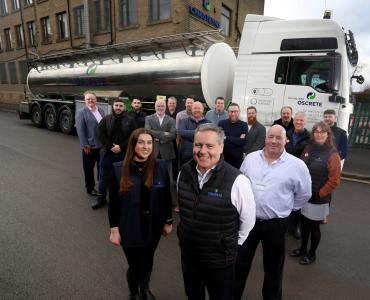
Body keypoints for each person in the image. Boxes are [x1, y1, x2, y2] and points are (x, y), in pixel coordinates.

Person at [177, 123, 256, 300]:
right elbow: (184, 207)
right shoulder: (183, 172)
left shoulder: (238, 180)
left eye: (209, 146)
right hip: (190, 255)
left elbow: (248, 221)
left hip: (219, 261)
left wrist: (228, 244)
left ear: (221, 147)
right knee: (193, 295)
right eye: (198, 145)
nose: (202, 151)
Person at [235, 125, 312, 300]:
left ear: (286, 140)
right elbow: (239, 184)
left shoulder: (297, 166)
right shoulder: (251, 159)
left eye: (279, 137)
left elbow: (304, 194)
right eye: (271, 137)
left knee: (273, 269)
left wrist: (288, 209)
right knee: (239, 264)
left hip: (276, 224)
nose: (274, 141)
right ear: (265, 138)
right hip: (248, 221)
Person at [108, 128, 173, 300]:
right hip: (129, 226)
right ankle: (133, 291)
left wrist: (168, 221)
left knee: (148, 259)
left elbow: (166, 197)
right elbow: (113, 204)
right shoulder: (118, 170)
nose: (146, 147)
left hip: (153, 226)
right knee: (136, 264)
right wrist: (114, 229)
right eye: (141, 142)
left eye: (149, 143)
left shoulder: (160, 167)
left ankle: (144, 288)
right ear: (133, 144)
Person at [290, 122, 341, 265]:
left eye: (322, 132)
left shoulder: (333, 154)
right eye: (316, 131)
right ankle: (302, 248)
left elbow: (335, 180)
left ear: (327, 134)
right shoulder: (309, 147)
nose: (319, 134)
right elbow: (300, 168)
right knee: (304, 224)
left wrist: (320, 193)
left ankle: (312, 254)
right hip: (305, 196)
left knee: (314, 227)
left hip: (318, 198)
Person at [97, 99, 135, 209]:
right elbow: (100, 134)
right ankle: (101, 198)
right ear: (113, 106)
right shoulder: (106, 119)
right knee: (103, 177)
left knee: (122, 177)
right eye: (116, 105)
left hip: (123, 154)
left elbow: (132, 136)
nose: (118, 107)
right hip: (107, 154)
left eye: (121, 105)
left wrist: (120, 147)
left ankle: (120, 199)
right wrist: (111, 147)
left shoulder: (130, 120)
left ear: (124, 107)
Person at [285, 112, 310, 239]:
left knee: (298, 201)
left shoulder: (309, 137)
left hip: (300, 172)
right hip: (285, 171)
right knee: (285, 198)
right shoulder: (287, 133)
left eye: (301, 120)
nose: (299, 122)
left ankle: (296, 227)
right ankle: (285, 225)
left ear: (305, 122)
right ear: (293, 121)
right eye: (297, 120)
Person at [75, 91, 105, 199]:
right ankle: (90, 187)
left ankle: (101, 184)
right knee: (88, 168)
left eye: (92, 99)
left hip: (101, 146)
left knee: (101, 167)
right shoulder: (81, 112)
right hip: (89, 147)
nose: (90, 101)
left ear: (96, 100)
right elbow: (80, 130)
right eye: (88, 99)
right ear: (85, 101)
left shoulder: (101, 110)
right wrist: (85, 145)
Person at [145, 99, 176, 170]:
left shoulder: (171, 120)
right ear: (155, 107)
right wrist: (164, 133)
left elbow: (173, 135)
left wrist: (156, 136)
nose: (160, 108)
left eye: (162, 106)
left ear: (165, 107)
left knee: (166, 175)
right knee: (151, 173)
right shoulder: (148, 118)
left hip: (167, 151)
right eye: (158, 106)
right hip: (153, 150)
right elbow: (147, 131)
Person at [178, 101, 210, 166]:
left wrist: (189, 134)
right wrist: (200, 132)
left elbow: (208, 137)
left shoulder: (208, 123)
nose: (197, 110)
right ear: (192, 109)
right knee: (185, 174)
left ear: (203, 109)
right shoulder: (184, 121)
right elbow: (182, 133)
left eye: (199, 108)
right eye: (195, 108)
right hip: (186, 154)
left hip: (202, 155)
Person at [218, 103, 248, 168]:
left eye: (236, 111)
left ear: (239, 112)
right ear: (228, 112)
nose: (233, 113)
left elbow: (242, 142)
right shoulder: (221, 123)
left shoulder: (244, 125)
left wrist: (226, 137)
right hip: (223, 159)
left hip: (237, 161)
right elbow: (219, 139)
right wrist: (236, 140)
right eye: (231, 111)